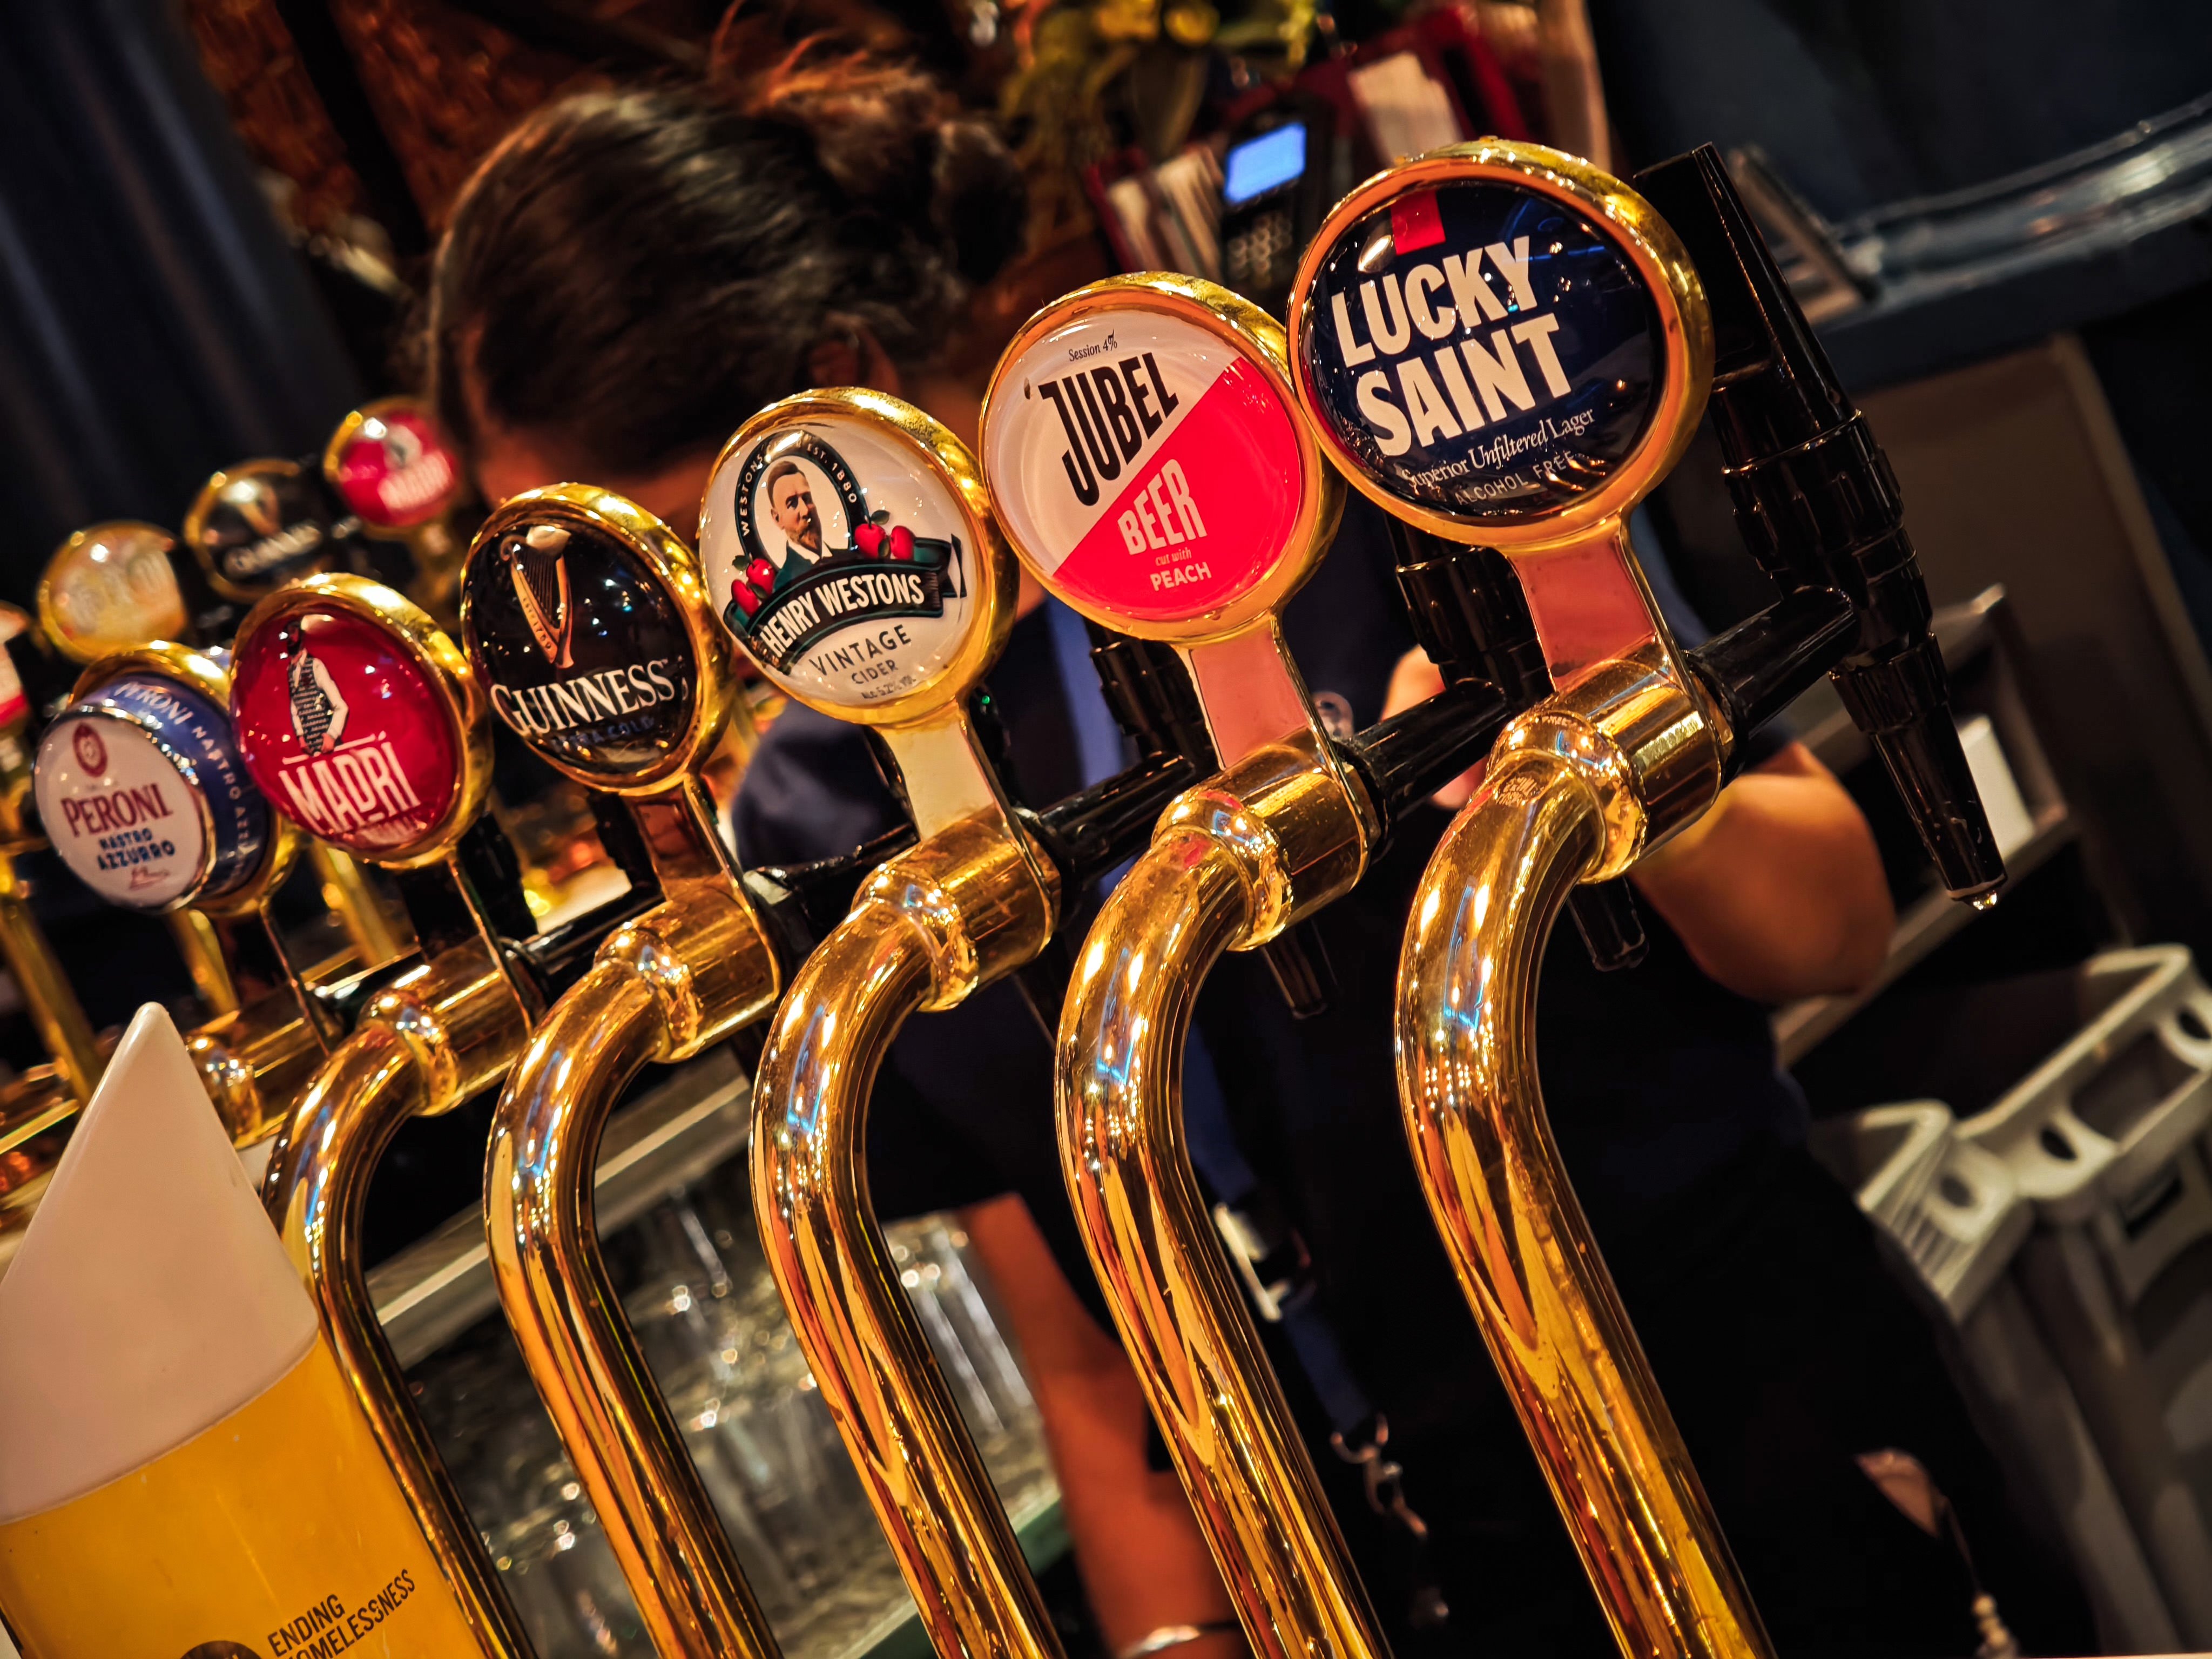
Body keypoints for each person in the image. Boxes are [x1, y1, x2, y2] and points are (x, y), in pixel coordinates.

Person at [426, 48, 2095, 1659]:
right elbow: (1094, 1377)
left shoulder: (1324, 494)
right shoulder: (813, 816)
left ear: (843, 386)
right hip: (1379, 1562)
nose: (699, 638)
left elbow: (1833, 928)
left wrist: (1631, 799)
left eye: (685, 551)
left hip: (1757, 1443)